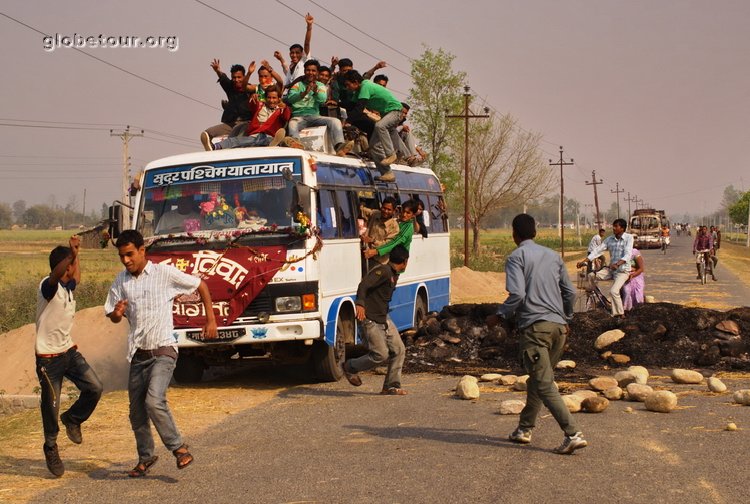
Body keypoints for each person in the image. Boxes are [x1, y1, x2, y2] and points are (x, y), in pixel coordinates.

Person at [104, 230, 218, 477]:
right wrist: (117, 312)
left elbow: (201, 284)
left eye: (130, 254)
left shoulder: (163, 273)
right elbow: (112, 316)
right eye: (122, 256)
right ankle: (146, 457)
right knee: (136, 414)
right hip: (138, 354)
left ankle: (179, 448)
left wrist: (211, 320)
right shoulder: (120, 282)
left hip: (164, 350)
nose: (126, 261)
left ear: (142, 250)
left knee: (154, 401)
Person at [486, 214, 585, 455]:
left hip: (535, 329)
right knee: (538, 380)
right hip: (558, 329)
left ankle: (573, 433)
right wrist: (567, 318)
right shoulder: (553, 256)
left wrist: (499, 316)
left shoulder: (516, 257)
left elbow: (517, 295)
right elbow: (570, 294)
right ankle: (524, 429)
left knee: (543, 382)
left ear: (514, 234)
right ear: (536, 233)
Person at [36, 235, 103, 477]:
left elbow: (76, 277)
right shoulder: (49, 287)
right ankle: (51, 446)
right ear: (62, 265)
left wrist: (78, 255)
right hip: (48, 359)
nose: (73, 269)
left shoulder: (67, 288)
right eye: (70, 264)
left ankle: (73, 419)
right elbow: (57, 275)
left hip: (68, 352)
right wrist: (72, 255)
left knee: (95, 387)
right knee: (50, 406)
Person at [342, 244, 409, 395]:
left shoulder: (393, 274)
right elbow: (364, 284)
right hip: (370, 319)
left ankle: (391, 386)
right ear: (405, 261)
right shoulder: (383, 271)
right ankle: (350, 367)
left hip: (383, 318)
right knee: (380, 354)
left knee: (399, 350)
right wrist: (360, 303)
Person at [342, 70, 404, 182]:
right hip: (387, 114)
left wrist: (347, 122)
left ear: (355, 82)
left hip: (396, 111)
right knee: (374, 146)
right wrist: (337, 103)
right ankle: (387, 173)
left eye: (348, 84)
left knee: (380, 126)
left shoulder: (366, 86)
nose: (347, 88)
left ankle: (390, 154)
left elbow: (359, 109)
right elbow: (352, 106)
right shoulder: (358, 92)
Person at [285, 59, 353, 156]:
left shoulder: (320, 85)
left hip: (315, 116)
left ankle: (339, 147)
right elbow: (291, 99)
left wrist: (316, 91)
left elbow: (322, 100)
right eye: (308, 70)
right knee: (292, 123)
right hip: (299, 117)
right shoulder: (297, 85)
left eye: (313, 71)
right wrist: (304, 93)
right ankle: (296, 144)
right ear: (304, 71)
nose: (310, 73)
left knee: (335, 121)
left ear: (317, 72)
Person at [576, 218, 634, 318]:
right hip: (611, 270)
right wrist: (583, 261)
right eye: (613, 226)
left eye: (616, 226)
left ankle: (620, 314)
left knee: (613, 291)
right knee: (591, 275)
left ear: (623, 228)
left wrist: (618, 264)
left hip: (623, 271)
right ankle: (594, 294)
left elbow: (628, 254)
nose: (614, 228)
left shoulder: (629, 238)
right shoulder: (609, 239)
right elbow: (597, 251)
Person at [211, 87, 290, 150]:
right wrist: (254, 98)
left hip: (269, 136)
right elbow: (252, 104)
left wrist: (285, 107)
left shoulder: (281, 111)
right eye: (269, 97)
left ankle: (273, 144)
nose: (271, 100)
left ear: (279, 99)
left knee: (269, 140)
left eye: (274, 98)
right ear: (265, 98)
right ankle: (215, 146)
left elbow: (286, 116)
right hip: (254, 136)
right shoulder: (260, 106)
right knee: (237, 140)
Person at [200, 60, 252, 150]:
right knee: (206, 134)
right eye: (234, 77)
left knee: (236, 140)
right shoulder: (231, 87)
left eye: (239, 77)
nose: (236, 80)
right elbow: (224, 79)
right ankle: (211, 150)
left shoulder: (251, 89)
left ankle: (221, 147)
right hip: (230, 124)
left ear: (244, 77)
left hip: (245, 124)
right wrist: (217, 71)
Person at [275, 13, 315, 88]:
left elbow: (307, 43)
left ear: (302, 54)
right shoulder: (291, 68)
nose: (294, 55)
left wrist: (309, 26)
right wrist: (281, 59)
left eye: (297, 53)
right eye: (292, 53)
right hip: (291, 95)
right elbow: (286, 70)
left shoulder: (304, 61)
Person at [360, 197, 399, 265]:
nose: (385, 211)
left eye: (389, 209)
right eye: (384, 208)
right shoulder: (375, 214)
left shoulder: (394, 227)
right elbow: (362, 210)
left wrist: (372, 240)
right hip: (365, 255)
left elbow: (387, 246)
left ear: (394, 211)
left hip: (379, 261)